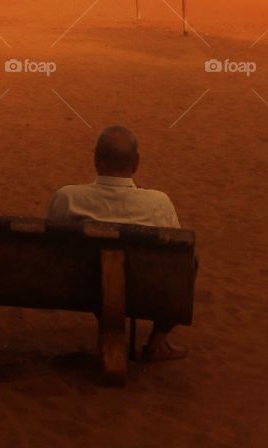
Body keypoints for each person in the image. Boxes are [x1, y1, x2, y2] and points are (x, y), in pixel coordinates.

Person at [47, 125, 187, 363]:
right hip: (143, 289)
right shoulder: (159, 203)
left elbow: (50, 248)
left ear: (96, 160)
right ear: (136, 164)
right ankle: (157, 342)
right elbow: (178, 259)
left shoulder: (67, 198)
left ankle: (108, 324)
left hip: (78, 287)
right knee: (187, 264)